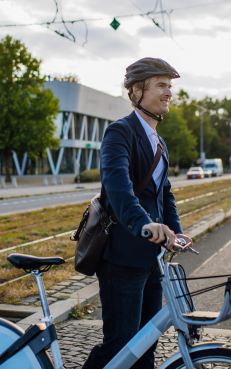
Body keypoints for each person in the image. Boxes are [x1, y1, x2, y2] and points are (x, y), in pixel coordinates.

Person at [82, 58, 191, 369]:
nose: (169, 91)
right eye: (161, 85)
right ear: (135, 92)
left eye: (170, 85)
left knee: (146, 345)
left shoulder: (159, 141)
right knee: (120, 345)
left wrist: (175, 229)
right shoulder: (119, 133)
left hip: (150, 258)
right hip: (122, 257)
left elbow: (163, 192)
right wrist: (144, 224)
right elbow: (118, 190)